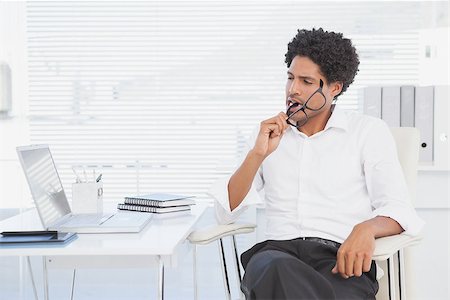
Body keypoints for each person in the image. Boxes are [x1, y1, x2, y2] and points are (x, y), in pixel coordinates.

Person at [210, 28, 424, 299]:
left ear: (334, 88)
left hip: (339, 259)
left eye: (306, 81)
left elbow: (399, 208)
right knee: (276, 271)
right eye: (290, 78)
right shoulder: (265, 136)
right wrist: (257, 154)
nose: (293, 90)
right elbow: (225, 212)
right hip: (276, 255)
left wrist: (366, 229)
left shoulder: (367, 132)